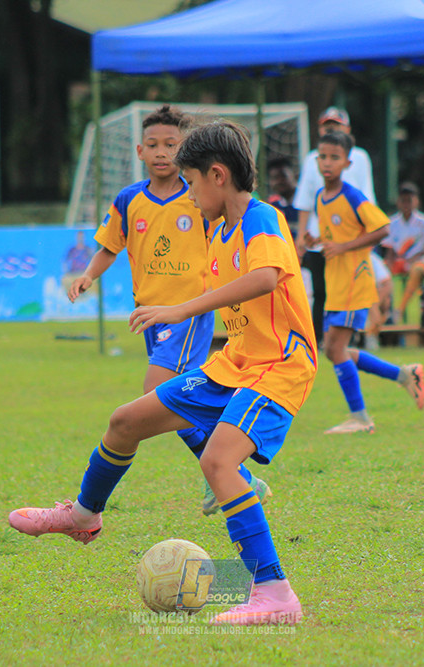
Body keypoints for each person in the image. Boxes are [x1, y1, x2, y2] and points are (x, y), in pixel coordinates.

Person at [10, 121, 314, 626]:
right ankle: (84, 516)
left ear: (218, 176)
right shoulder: (218, 228)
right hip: (232, 366)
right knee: (125, 421)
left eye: (191, 183)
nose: (189, 196)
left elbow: (264, 279)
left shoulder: (263, 220)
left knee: (218, 463)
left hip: (277, 366)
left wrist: (181, 309)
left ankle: (275, 594)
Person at [66, 105, 268, 516]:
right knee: (171, 401)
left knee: (153, 396)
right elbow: (109, 245)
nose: (162, 153)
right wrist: (89, 275)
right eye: (154, 145)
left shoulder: (199, 197)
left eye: (171, 145)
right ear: (139, 150)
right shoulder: (130, 200)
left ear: (184, 152)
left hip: (187, 311)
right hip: (150, 316)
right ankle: (240, 477)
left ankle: (230, 474)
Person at [310, 132, 424, 435]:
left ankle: (360, 418)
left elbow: (383, 229)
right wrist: (317, 240)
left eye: (334, 157)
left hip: (354, 283)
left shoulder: (352, 195)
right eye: (323, 156)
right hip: (335, 284)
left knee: (334, 348)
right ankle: (403, 375)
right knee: (336, 349)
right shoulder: (320, 198)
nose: (327, 162)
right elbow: (338, 234)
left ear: (347, 162)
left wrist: (344, 247)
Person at [294, 107, 376, 347]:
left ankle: (354, 337)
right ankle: (320, 339)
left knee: (350, 291)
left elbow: (369, 206)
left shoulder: (358, 161)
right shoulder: (312, 161)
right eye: (326, 125)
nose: (327, 163)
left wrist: (357, 240)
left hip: (350, 239)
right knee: (321, 292)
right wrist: (302, 238)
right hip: (321, 240)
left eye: (336, 124)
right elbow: (306, 200)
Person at [385, 182, 424, 321]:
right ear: (398, 202)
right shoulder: (392, 222)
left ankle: (399, 309)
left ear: (416, 201)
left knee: (416, 271)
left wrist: (415, 258)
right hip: (399, 261)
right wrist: (387, 266)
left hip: (418, 261)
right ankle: (384, 312)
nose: (406, 204)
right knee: (381, 274)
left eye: (410, 200)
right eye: (403, 200)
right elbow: (390, 250)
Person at [266, 156, 300, 242]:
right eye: (274, 178)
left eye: (283, 176)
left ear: (294, 175)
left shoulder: (306, 204)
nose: (279, 181)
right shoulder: (272, 207)